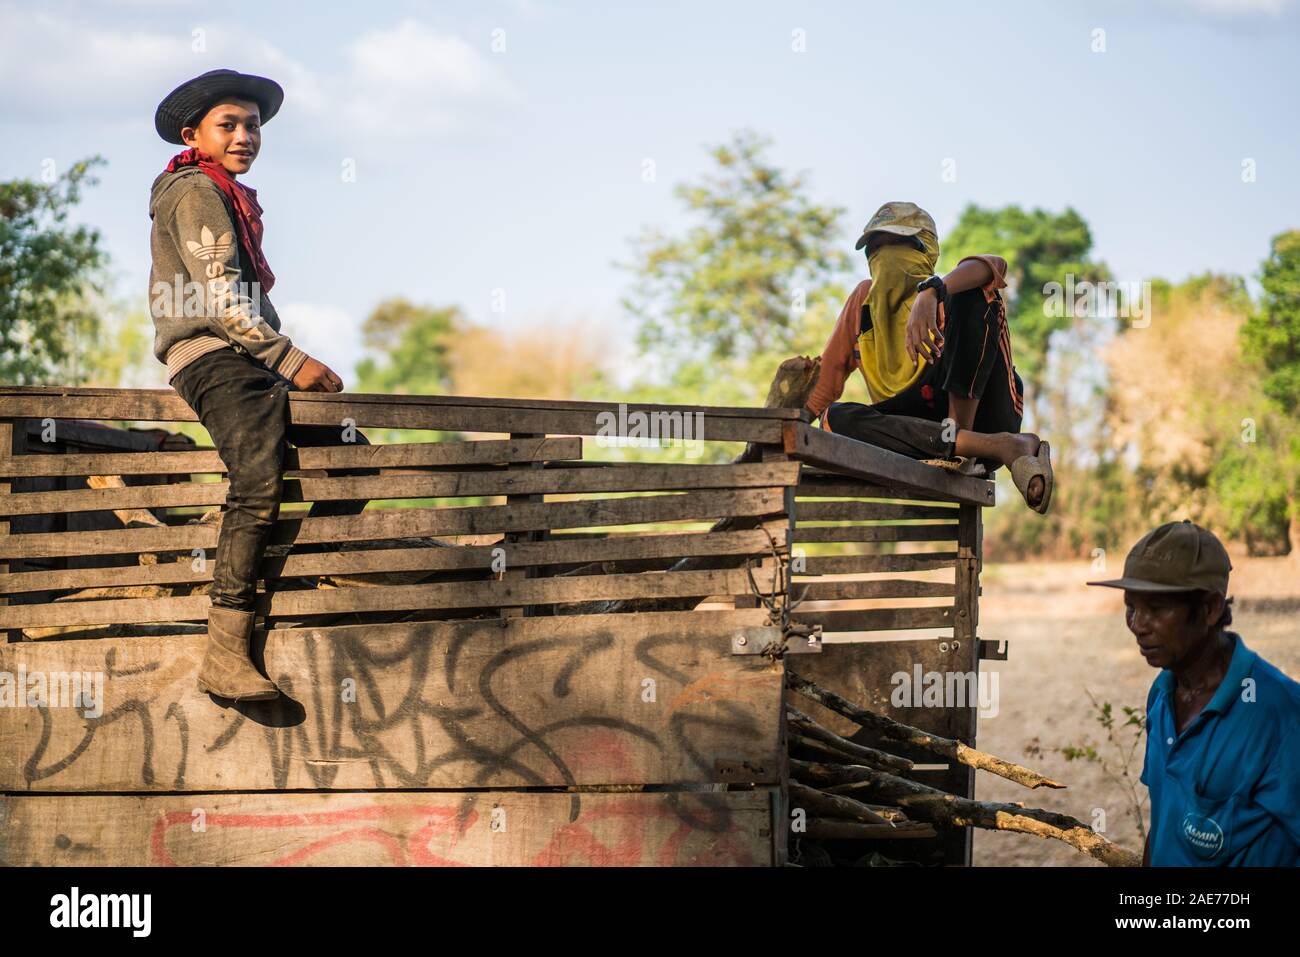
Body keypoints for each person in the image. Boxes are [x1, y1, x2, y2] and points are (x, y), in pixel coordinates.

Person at [149, 68, 371, 701]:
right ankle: (225, 649)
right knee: (256, 481)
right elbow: (221, 297)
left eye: (252, 125)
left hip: (248, 357)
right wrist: (290, 358)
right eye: (230, 124)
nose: (245, 134)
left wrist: (278, 359)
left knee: (350, 457)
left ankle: (290, 578)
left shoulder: (230, 195)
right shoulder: (193, 189)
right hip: (213, 357)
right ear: (196, 134)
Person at [805, 202, 1052, 512]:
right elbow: (823, 389)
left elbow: (995, 265)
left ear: (925, 250)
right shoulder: (863, 303)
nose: (885, 255)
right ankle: (991, 447)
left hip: (986, 414)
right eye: (876, 248)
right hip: (919, 435)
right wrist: (775, 437)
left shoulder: (948, 290)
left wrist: (933, 291)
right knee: (835, 418)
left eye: (899, 243)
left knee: (973, 294)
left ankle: (965, 445)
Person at [1088, 520, 1300, 865]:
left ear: (1210, 609)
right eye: (1131, 607)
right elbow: (1165, 821)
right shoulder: (1162, 695)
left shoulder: (1280, 713)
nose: (1137, 625)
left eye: (1156, 609)